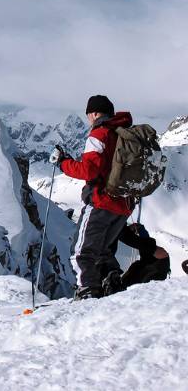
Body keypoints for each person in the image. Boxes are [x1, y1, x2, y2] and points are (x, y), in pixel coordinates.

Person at [50, 95, 134, 300]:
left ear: (95, 113)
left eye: (89, 114)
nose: (88, 118)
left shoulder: (99, 134)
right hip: (123, 205)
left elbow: (89, 170)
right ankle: (112, 285)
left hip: (101, 202)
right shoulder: (122, 135)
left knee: (80, 253)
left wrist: (63, 163)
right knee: (102, 250)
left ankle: (87, 292)